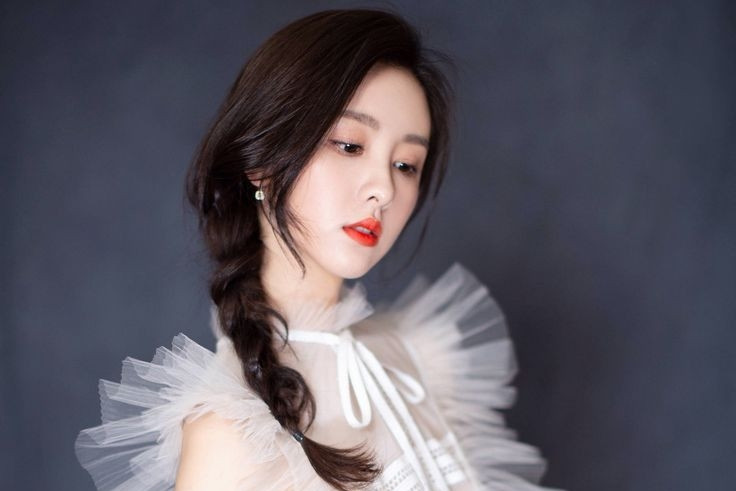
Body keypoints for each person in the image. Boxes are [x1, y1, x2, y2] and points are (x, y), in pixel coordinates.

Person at [75, 8, 560, 491]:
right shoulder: (232, 433)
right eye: (349, 145)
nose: (383, 190)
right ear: (262, 161)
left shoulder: (420, 363)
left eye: (406, 165)